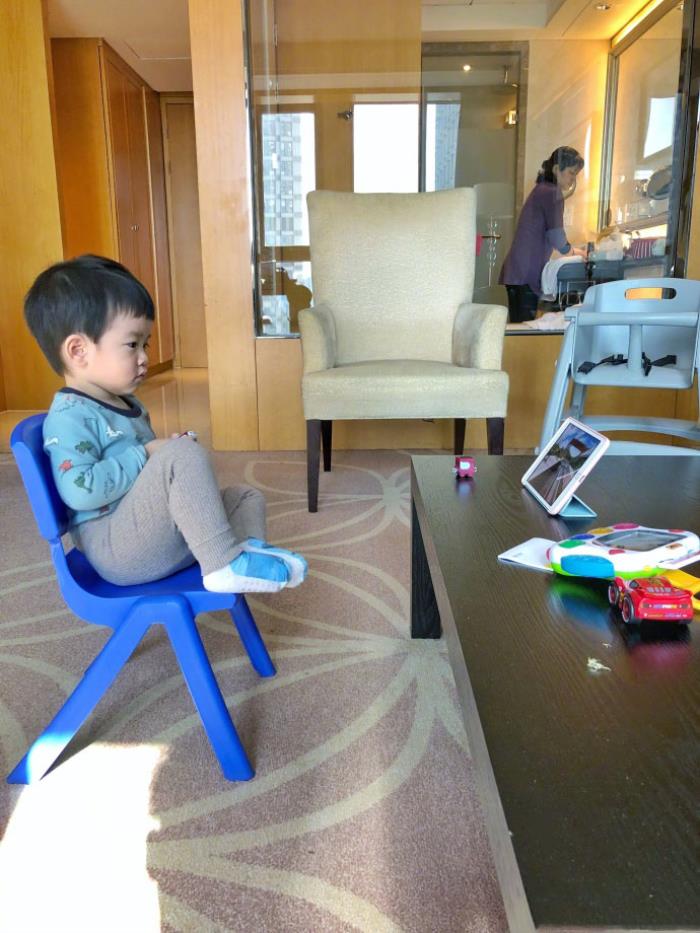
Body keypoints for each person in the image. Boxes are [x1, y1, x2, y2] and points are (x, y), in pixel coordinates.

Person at [24, 254, 307, 594]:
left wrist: (162, 456)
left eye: (145, 344)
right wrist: (149, 454)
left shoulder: (126, 403)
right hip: (116, 549)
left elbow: (143, 478)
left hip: (146, 534)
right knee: (178, 456)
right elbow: (79, 488)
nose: (145, 357)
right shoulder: (70, 416)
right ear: (78, 351)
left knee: (244, 496)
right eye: (132, 344)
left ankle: (240, 556)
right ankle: (222, 565)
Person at [499, 146, 587, 323]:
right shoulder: (552, 193)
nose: (573, 179)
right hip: (525, 273)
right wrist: (575, 252)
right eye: (571, 173)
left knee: (520, 326)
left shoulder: (542, 189)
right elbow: (556, 237)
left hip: (517, 271)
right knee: (525, 328)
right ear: (557, 169)